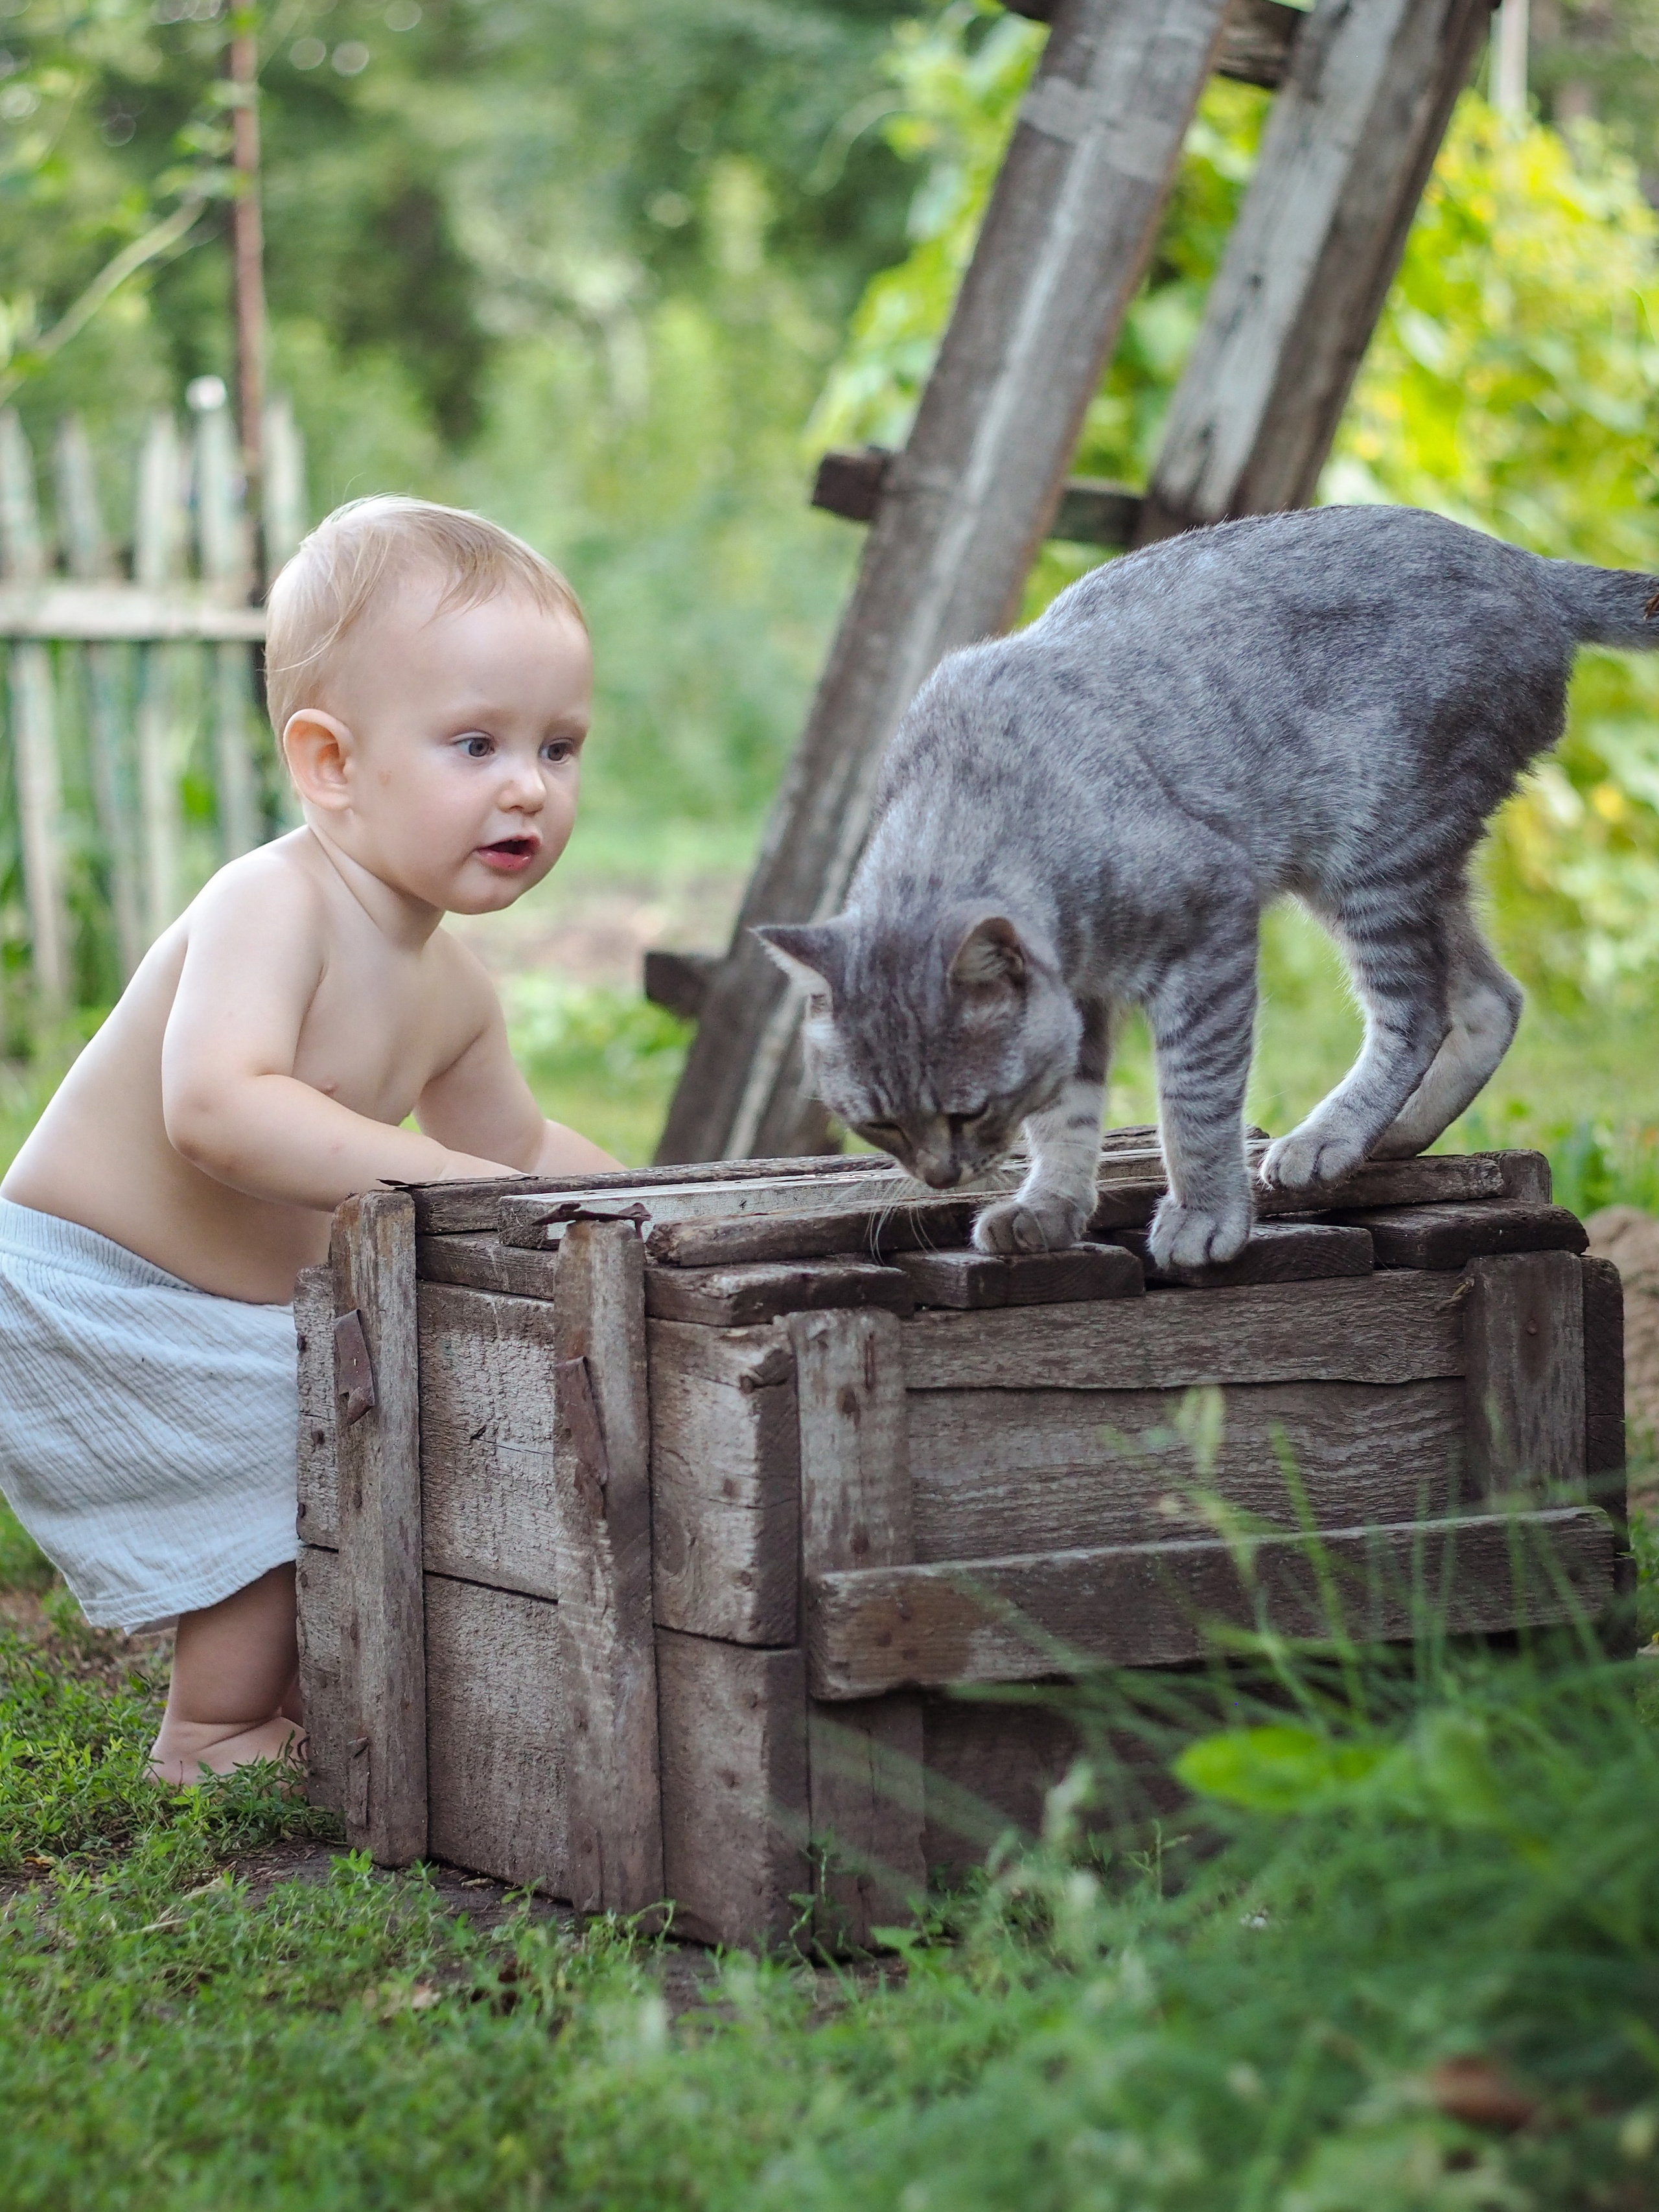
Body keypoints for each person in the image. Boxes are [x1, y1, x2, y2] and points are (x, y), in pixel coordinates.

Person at [0, 496, 618, 1784]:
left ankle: (266, 1708)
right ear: (332, 763)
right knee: (284, 1475)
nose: (528, 787)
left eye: (558, 748)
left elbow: (512, 1148)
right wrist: (442, 1180)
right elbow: (217, 1108)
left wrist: (657, 1207)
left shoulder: (451, 991)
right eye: (475, 743)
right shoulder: (269, 902)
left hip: (216, 1316)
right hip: (86, 1286)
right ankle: (210, 1729)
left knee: (330, 1448)